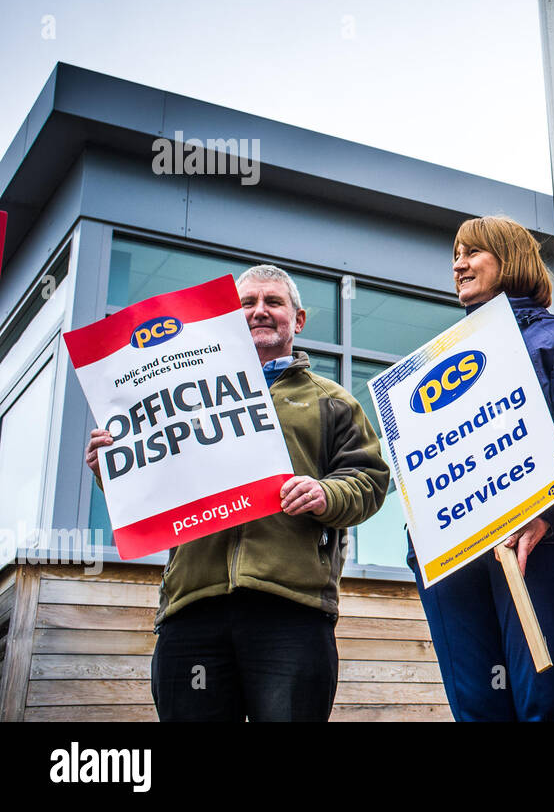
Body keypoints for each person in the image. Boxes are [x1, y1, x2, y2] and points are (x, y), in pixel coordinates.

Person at [85, 264, 390, 722]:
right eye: (247, 303)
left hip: (292, 609)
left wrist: (327, 494)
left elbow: (368, 479)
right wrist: (111, 467)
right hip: (193, 606)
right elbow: (155, 483)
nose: (260, 312)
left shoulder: (333, 401)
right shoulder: (177, 394)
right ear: (229, 315)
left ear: (298, 319)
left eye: (274, 302)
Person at [405, 215, 554, 721]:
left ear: (509, 258)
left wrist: (546, 515)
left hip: (537, 540)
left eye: (472, 252)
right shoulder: (432, 361)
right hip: (452, 557)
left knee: (541, 701)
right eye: (455, 255)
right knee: (476, 706)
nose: (458, 264)